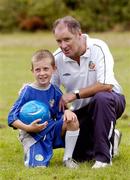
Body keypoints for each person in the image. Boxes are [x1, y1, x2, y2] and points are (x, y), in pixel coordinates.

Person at [51, 16, 126, 169]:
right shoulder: (57, 58)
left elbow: (106, 85)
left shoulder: (98, 47)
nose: (63, 45)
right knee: (81, 156)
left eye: (67, 39)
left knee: (102, 98)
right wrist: (31, 90)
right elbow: (51, 91)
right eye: (59, 41)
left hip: (111, 100)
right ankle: (113, 136)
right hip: (80, 110)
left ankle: (103, 160)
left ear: (79, 34)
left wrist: (75, 94)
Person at [8, 49, 79, 168]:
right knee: (38, 167)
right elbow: (11, 117)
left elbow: (60, 113)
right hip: (33, 135)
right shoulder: (27, 91)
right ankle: (30, 150)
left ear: (54, 69)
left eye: (46, 69)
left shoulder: (55, 91)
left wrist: (66, 111)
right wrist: (28, 128)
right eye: (37, 70)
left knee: (72, 119)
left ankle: (68, 159)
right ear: (32, 71)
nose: (42, 73)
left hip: (50, 129)